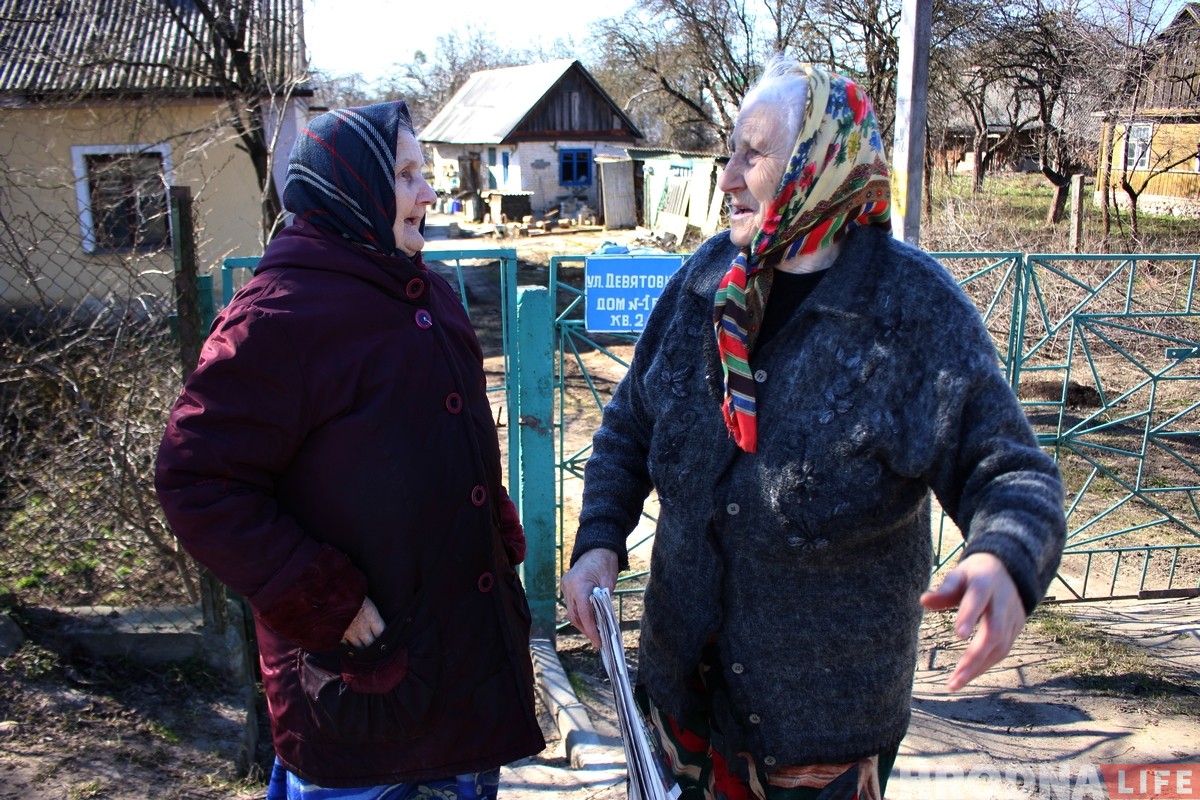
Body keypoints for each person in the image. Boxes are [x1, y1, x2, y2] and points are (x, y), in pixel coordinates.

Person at [561, 59, 1065, 800]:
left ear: (819, 165)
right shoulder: (704, 284)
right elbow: (630, 426)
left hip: (818, 737)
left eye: (751, 155)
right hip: (677, 706)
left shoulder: (906, 308)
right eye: (728, 153)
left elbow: (1010, 474)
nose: (726, 176)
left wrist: (1006, 557)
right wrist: (600, 539)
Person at [156, 100, 544, 799]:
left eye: (423, 173)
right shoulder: (281, 315)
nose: (427, 193)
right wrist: (319, 595)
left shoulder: (420, 291)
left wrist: (495, 532)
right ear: (351, 188)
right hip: (364, 700)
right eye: (405, 175)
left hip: (457, 678)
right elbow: (196, 476)